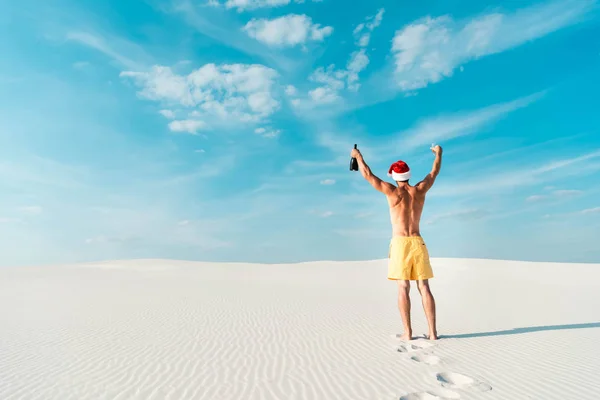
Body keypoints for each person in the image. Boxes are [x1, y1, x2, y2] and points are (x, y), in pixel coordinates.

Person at [350, 145, 443, 341]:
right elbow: (433, 172)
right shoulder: (420, 189)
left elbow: (367, 174)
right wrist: (438, 153)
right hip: (417, 241)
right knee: (424, 286)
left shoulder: (392, 192)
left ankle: (408, 333)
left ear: (393, 175)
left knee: (403, 287)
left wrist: (358, 156)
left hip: (400, 243)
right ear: (408, 175)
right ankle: (433, 333)